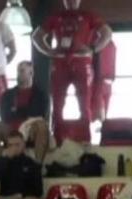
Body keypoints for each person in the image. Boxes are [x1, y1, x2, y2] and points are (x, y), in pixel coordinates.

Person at [32, 0, 113, 133]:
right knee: (57, 103)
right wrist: (49, 51)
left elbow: (107, 32)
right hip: (60, 62)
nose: (71, 1)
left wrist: (93, 49)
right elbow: (36, 36)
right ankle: (57, 135)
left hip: (82, 62)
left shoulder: (88, 16)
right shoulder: (56, 16)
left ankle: (85, 136)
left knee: (84, 103)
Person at [0, 61, 53, 166]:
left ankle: (38, 166)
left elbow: (40, 114)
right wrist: (25, 111)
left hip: (30, 128)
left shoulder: (41, 94)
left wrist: (16, 111)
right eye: (18, 71)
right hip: (11, 129)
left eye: (22, 71)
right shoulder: (7, 94)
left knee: (41, 126)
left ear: (31, 73)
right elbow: (4, 115)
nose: (19, 74)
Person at [92, 35, 117, 122]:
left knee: (102, 117)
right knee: (100, 116)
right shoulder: (98, 43)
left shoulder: (110, 44)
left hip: (106, 82)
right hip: (99, 83)